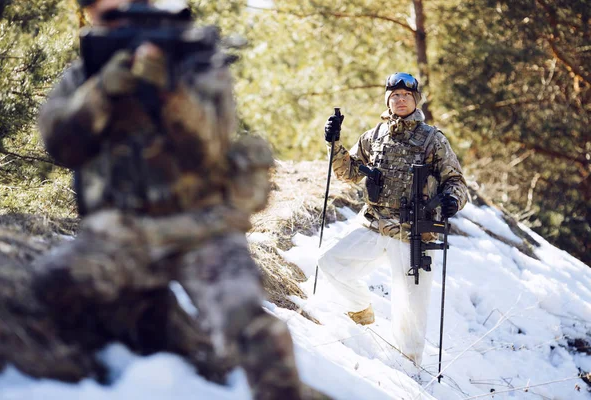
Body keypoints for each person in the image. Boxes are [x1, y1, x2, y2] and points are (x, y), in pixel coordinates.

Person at [35, 0, 305, 398]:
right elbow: (61, 146)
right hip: (121, 231)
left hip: (201, 228)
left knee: (248, 327)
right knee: (53, 288)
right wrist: (101, 92)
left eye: (124, 12)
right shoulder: (86, 72)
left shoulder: (195, 63)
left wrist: (169, 94)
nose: (117, 25)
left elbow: (209, 148)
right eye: (104, 16)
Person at [317, 72, 468, 365]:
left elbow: (456, 181)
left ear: (415, 100)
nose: (400, 100)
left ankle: (409, 369)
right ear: (388, 100)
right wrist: (333, 144)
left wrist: (452, 200)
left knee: (411, 308)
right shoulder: (374, 135)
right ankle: (361, 311)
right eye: (395, 95)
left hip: (415, 232)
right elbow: (348, 172)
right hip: (374, 223)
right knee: (331, 262)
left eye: (406, 96)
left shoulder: (432, 139)